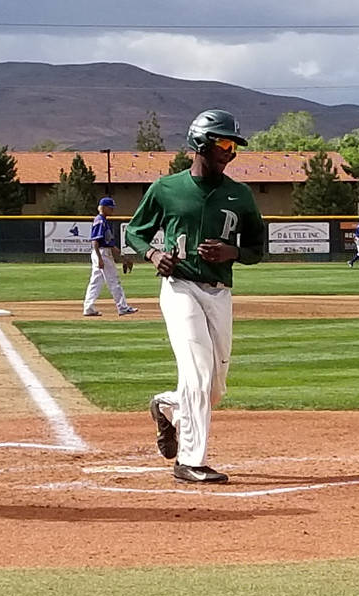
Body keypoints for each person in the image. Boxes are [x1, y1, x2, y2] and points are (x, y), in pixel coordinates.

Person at [124, 109, 265, 483]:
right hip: (179, 289)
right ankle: (190, 460)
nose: (230, 151)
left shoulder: (240, 195)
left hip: (219, 293)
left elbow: (257, 248)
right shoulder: (166, 189)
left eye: (233, 144)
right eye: (223, 142)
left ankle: (167, 407)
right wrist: (154, 254)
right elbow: (135, 232)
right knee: (199, 375)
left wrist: (231, 252)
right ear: (200, 143)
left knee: (213, 388)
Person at [82, 196, 138, 317]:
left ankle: (88, 308)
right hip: (101, 253)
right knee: (114, 280)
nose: (113, 210)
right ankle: (122, 307)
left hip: (103, 252)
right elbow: (95, 241)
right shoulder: (100, 221)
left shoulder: (103, 221)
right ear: (105, 208)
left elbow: (111, 245)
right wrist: (100, 259)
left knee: (96, 282)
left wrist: (123, 258)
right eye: (111, 208)